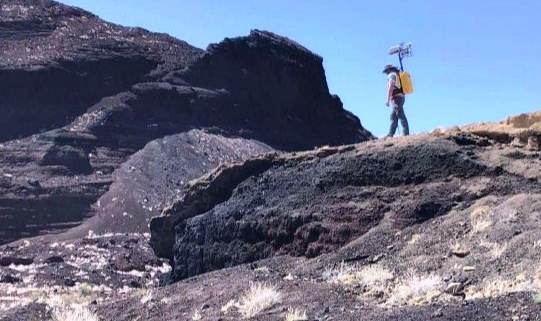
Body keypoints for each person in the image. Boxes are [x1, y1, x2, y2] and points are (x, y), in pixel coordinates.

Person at [382, 64, 409, 138]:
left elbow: (391, 86)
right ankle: (390, 134)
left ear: (388, 70)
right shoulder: (397, 75)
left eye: (386, 71)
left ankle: (405, 133)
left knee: (400, 114)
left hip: (396, 98)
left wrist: (387, 99)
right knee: (393, 116)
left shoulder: (391, 75)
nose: (386, 73)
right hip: (401, 97)